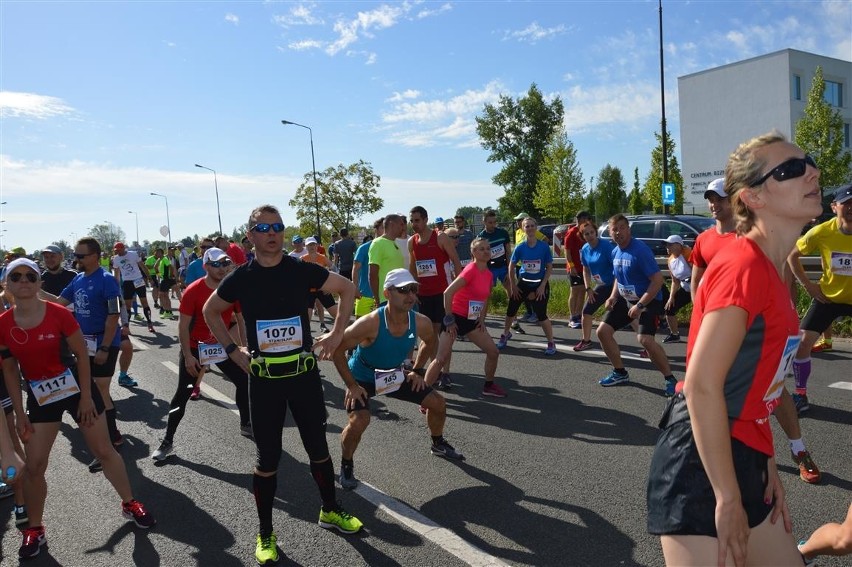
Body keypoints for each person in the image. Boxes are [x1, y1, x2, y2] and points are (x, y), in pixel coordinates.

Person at [647, 132, 821, 566]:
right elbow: (703, 385)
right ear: (753, 197)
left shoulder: (773, 271)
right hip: (700, 463)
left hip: (743, 452)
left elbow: (760, 385)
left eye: (810, 161)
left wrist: (764, 461)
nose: (813, 172)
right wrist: (726, 497)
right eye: (791, 169)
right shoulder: (744, 265)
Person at [203, 204, 362, 566]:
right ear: (251, 235)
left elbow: (348, 288)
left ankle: (330, 510)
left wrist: (337, 333)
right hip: (264, 381)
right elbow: (211, 311)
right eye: (263, 227)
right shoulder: (241, 276)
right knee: (268, 458)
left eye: (277, 227)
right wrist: (231, 349)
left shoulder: (300, 269)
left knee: (318, 448)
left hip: (303, 375)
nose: (272, 233)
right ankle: (265, 532)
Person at [1, 258, 154, 559]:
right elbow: (9, 371)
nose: (24, 281)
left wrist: (86, 397)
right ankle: (35, 529)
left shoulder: (58, 313)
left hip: (75, 389)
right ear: (6, 283)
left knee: (104, 450)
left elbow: (82, 355)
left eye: (31, 276)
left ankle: (129, 502)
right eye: (16, 276)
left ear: (39, 283)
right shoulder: (3, 325)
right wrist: (20, 415)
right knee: (34, 466)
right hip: (40, 396)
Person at [691, 178, 822, 484]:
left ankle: (798, 449)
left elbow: (780, 278)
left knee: (773, 392)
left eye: (720, 199)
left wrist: (787, 319)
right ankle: (730, 462)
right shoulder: (704, 240)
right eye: (710, 199)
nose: (714, 204)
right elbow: (698, 284)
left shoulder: (754, 237)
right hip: (723, 331)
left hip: (762, 330)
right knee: (721, 393)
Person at [333, 268, 464, 490]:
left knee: (438, 404)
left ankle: (438, 443)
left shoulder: (420, 321)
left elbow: (429, 341)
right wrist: (351, 386)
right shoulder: (369, 323)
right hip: (363, 378)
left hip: (394, 374)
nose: (411, 296)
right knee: (359, 421)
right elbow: (337, 351)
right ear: (387, 293)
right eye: (403, 290)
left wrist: (417, 371)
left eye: (413, 289)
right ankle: (346, 465)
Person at [152, 247, 250, 461]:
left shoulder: (232, 288)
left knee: (245, 381)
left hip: (223, 345)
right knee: (183, 393)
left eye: (225, 263)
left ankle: (246, 423)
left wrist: (243, 347)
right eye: (216, 264)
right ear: (206, 266)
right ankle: (167, 441)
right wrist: (187, 355)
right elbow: (183, 324)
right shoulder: (194, 290)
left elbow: (241, 319)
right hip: (196, 348)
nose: (222, 268)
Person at [50, 238, 126, 467]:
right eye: (75, 255)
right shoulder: (79, 279)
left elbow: (114, 314)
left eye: (81, 255)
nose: (77, 259)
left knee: (98, 391)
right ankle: (113, 436)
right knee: (95, 391)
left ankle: (109, 443)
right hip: (85, 345)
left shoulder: (107, 280)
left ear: (95, 256)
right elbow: (59, 303)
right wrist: (33, 294)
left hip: (105, 344)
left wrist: (104, 347)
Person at [788, 184, 852, 414]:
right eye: (847, 203)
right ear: (835, 207)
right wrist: (808, 286)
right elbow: (792, 255)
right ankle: (801, 394)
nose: (851, 208)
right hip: (828, 298)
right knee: (803, 343)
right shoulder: (822, 231)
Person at [596, 214, 677, 396]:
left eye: (622, 228)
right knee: (602, 332)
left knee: (645, 340)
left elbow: (656, 281)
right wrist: (612, 296)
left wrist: (640, 305)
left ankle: (670, 379)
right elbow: (619, 277)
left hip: (650, 299)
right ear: (610, 232)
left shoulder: (640, 250)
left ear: (629, 229)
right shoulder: (615, 251)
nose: (619, 232)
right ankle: (620, 372)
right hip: (627, 300)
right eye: (614, 229)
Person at [426, 237, 506, 398]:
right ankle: (423, 395)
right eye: (481, 249)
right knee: (440, 359)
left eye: (488, 248)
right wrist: (449, 320)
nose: (486, 251)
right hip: (455, 318)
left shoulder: (489, 275)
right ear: (473, 252)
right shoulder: (470, 270)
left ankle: (488, 386)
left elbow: (485, 298)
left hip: (471, 321)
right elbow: (447, 293)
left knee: (493, 352)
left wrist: (482, 319)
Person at [408, 206, 463, 388]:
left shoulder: (440, 237)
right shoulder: (412, 241)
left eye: (417, 220)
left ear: (425, 220)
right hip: (424, 295)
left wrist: (457, 286)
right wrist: (412, 291)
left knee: (444, 333)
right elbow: (413, 268)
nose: (414, 224)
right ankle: (435, 370)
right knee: (430, 336)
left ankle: (445, 373)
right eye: (412, 221)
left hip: (443, 293)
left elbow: (455, 260)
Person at [496, 217, 557, 355]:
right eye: (526, 226)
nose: (529, 228)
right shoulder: (520, 247)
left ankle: (551, 342)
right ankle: (505, 334)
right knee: (511, 309)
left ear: (536, 227)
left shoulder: (543, 246)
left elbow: (549, 267)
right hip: (523, 282)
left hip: (539, 284)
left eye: (531, 226)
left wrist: (542, 286)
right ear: (523, 229)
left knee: (541, 314)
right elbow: (511, 266)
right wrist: (513, 286)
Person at [574, 221, 615, 351]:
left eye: (592, 232)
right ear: (582, 236)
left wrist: (616, 293)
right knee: (586, 312)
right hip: (601, 286)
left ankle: (646, 345)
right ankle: (586, 341)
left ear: (596, 232)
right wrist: (588, 288)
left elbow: (617, 267)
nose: (590, 235)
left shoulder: (606, 246)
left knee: (629, 315)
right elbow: (585, 270)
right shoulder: (585, 249)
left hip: (614, 285)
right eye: (586, 234)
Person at [111, 241, 155, 335]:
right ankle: (127, 327)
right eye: (116, 250)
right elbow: (117, 273)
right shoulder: (116, 259)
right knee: (127, 306)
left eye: (119, 250)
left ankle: (150, 324)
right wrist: (115, 285)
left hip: (138, 280)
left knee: (144, 302)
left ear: (123, 248)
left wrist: (150, 278)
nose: (117, 252)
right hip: (127, 282)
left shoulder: (133, 254)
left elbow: (142, 266)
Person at [368, 214, 407, 303]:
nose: (403, 227)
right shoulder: (378, 243)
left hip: (398, 298)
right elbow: (372, 275)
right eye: (401, 224)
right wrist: (377, 298)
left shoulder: (394, 243)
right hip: (386, 299)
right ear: (392, 224)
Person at [564, 211, 592, 329]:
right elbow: (567, 251)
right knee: (574, 291)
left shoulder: (586, 231)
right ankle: (572, 316)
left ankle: (579, 314)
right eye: (581, 219)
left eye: (586, 219)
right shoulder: (571, 232)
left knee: (582, 291)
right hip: (574, 267)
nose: (584, 221)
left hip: (584, 267)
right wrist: (571, 266)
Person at [661, 235, 692, 343]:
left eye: (670, 244)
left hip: (697, 287)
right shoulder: (670, 261)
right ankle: (674, 334)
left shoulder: (687, 253)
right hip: (685, 288)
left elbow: (699, 271)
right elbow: (675, 281)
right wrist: (671, 297)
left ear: (679, 245)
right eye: (666, 244)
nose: (667, 247)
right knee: (669, 308)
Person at [303, 236, 338, 333]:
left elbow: (334, 269)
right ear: (306, 247)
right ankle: (306, 338)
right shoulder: (302, 259)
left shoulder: (322, 258)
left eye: (313, 244)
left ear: (317, 246)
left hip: (323, 289)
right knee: (307, 316)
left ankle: (345, 333)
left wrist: (330, 286)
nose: (312, 247)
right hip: (309, 291)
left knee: (336, 313)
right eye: (309, 245)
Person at [352, 221, 381, 319]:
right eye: (383, 228)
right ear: (375, 229)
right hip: (364, 294)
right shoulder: (364, 248)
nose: (386, 230)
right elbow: (355, 269)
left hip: (383, 295)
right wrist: (355, 288)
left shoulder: (391, 246)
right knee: (359, 328)